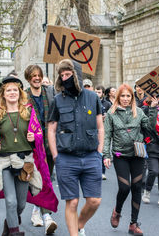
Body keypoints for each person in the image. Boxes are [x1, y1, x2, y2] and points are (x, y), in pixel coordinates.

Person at [0, 76, 58, 236]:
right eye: (8, 90)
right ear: (3, 95)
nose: (12, 93)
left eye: (14, 90)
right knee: (10, 201)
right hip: (3, 162)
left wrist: (35, 137)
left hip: (25, 163)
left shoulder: (29, 111)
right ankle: (14, 231)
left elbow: (39, 133)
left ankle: (8, 224)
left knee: (20, 204)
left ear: (19, 93)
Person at [47, 59, 104, 236]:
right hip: (66, 158)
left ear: (76, 75)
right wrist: (56, 156)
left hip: (90, 156)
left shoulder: (93, 97)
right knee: (72, 202)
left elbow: (101, 126)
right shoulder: (57, 100)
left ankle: (79, 225)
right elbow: (51, 128)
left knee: (94, 200)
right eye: (62, 75)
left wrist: (99, 153)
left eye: (68, 74)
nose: (64, 78)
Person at [103, 84, 157, 235]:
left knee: (136, 187)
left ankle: (133, 223)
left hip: (137, 155)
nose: (125, 99)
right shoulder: (111, 114)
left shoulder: (138, 112)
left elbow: (150, 127)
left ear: (132, 98)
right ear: (118, 97)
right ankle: (117, 211)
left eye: (128, 96)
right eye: (123, 96)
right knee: (124, 187)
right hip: (120, 155)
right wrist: (106, 155)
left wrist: (153, 108)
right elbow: (107, 136)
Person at [24, 64, 58, 235]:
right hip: (31, 145)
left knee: (46, 179)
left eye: (39, 75)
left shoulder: (50, 92)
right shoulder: (24, 96)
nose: (36, 78)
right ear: (28, 78)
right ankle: (42, 214)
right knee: (34, 180)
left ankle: (42, 214)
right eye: (33, 76)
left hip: (49, 142)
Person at [141, 97, 159, 207]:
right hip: (151, 144)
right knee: (154, 171)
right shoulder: (145, 110)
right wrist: (153, 108)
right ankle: (147, 191)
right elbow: (149, 126)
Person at [95, 85, 112, 180]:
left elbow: (111, 115)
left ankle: (102, 172)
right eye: (96, 92)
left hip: (104, 130)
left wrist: (106, 117)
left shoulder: (107, 104)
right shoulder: (92, 101)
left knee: (102, 151)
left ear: (103, 93)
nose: (97, 94)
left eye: (99, 92)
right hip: (93, 129)